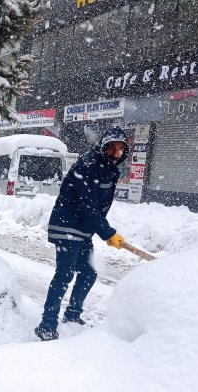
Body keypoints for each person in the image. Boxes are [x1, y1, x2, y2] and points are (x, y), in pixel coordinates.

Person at [35, 126, 129, 341]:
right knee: (64, 274)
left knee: (88, 272)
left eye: (120, 150)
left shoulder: (109, 169)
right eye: (111, 149)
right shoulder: (88, 165)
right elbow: (87, 206)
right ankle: (47, 324)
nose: (116, 154)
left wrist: (102, 229)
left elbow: (96, 207)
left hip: (83, 229)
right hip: (67, 225)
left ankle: (72, 315)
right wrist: (107, 232)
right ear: (102, 147)